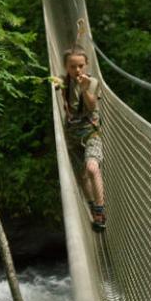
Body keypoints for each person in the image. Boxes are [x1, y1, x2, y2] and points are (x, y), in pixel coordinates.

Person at [59, 46, 106, 231]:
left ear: (87, 65)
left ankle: (100, 210)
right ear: (66, 67)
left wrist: (85, 89)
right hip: (71, 135)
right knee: (82, 176)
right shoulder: (64, 82)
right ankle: (93, 206)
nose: (77, 70)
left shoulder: (92, 82)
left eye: (80, 66)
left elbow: (92, 105)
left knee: (92, 168)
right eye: (72, 66)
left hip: (90, 133)